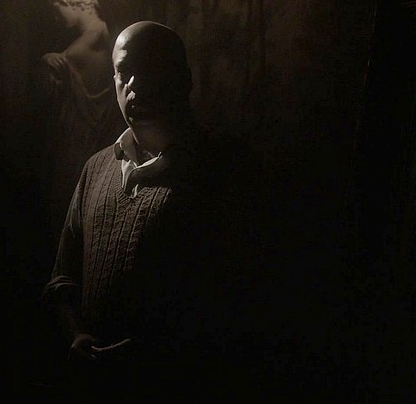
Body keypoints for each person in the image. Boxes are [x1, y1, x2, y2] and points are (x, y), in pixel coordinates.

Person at [41, 21, 257, 401]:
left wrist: (158, 353)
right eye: (124, 71)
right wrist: (75, 334)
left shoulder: (223, 169)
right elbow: (63, 278)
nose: (134, 84)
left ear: (183, 80)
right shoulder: (96, 169)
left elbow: (237, 296)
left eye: (151, 68)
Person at [38, 0, 128, 250]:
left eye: (58, 8)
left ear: (74, 1)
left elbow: (66, 66)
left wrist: (52, 61)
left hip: (81, 133)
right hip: (80, 128)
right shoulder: (99, 34)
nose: (57, 18)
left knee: (68, 191)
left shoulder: (96, 34)